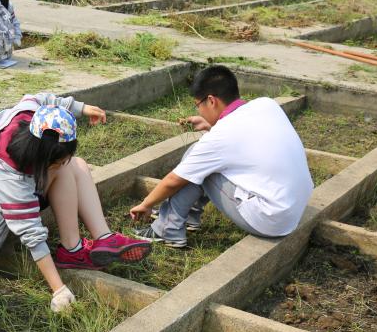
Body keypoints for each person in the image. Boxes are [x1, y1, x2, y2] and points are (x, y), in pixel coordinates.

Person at [0, 93, 153, 313]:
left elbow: (41, 98)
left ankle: (104, 238)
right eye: (58, 159)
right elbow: (31, 234)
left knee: (76, 164)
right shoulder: (9, 177)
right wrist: (58, 288)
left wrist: (81, 108)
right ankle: (72, 249)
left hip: (16, 192)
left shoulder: (30, 116)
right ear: (41, 157)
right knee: (64, 171)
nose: (63, 161)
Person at [130, 65, 314, 247]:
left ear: (211, 101)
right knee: (203, 159)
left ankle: (167, 229)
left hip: (270, 219)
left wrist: (146, 204)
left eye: (197, 105)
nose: (198, 111)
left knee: (197, 161)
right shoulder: (266, 104)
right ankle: (189, 217)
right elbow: (244, 140)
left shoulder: (222, 136)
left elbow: (174, 180)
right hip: (293, 205)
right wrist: (212, 126)